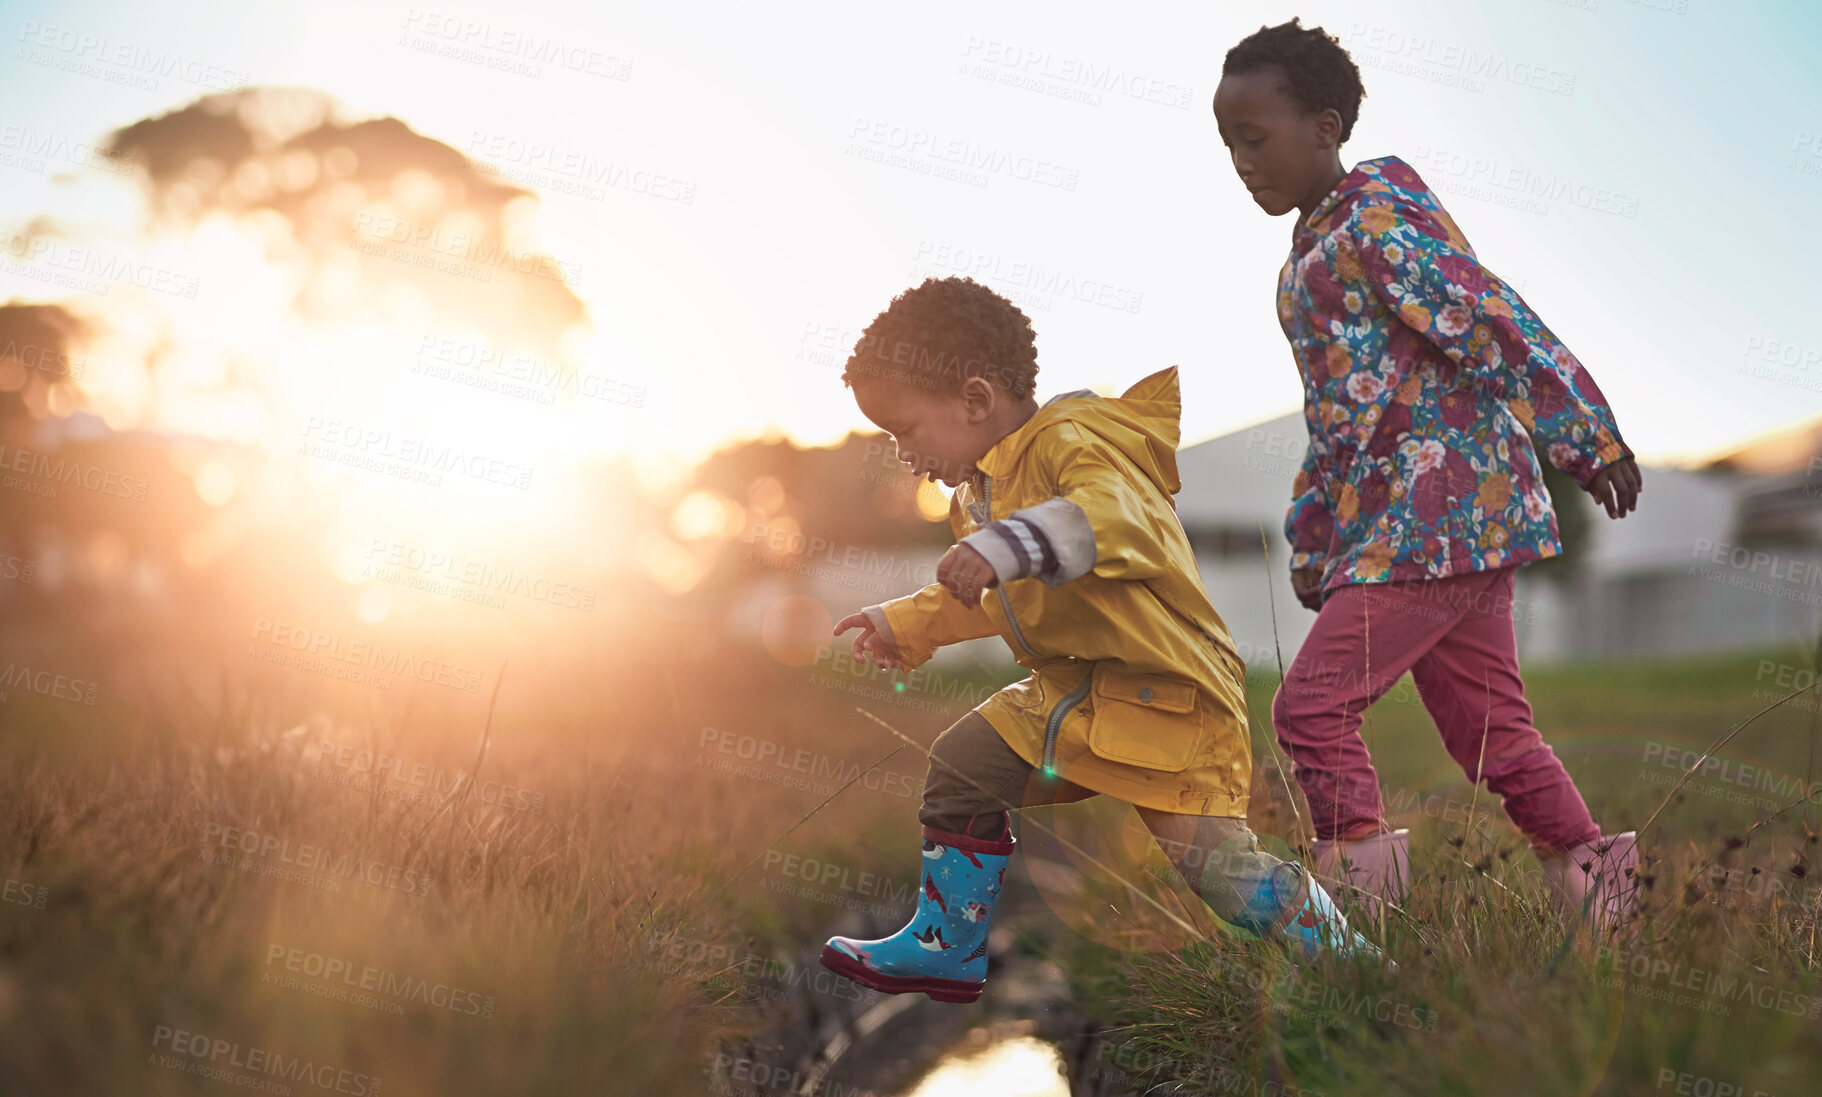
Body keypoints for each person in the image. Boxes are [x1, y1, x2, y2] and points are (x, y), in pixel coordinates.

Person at [820, 275, 1381, 1006]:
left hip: (1169, 698)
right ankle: (946, 945)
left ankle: (1360, 967)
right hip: (1078, 694)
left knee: (1222, 873)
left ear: (975, 400)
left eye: (906, 428)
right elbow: (997, 596)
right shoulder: (979, 493)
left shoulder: (1073, 441)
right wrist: (904, 623)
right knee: (965, 761)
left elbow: (1107, 519)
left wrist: (1010, 543)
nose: (901, 452)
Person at [1210, 18, 1644, 930]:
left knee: (1312, 708)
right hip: (1426, 528)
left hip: (1442, 518)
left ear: (1325, 127)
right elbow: (1341, 420)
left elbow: (1487, 318)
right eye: (1228, 146)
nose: (1243, 162)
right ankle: (1604, 899)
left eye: (1256, 138)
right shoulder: (1304, 264)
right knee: (1494, 735)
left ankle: (1363, 937)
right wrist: (1318, 535)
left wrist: (1584, 432)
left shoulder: (1375, 222)